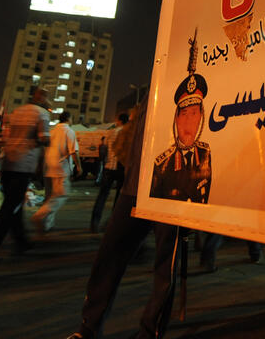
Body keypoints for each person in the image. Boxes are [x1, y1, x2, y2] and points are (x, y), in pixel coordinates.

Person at [66, 93, 181, 339]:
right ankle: (88, 328)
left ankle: (149, 333)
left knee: (165, 270)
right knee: (108, 257)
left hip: (173, 191)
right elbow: (130, 140)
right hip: (134, 188)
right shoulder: (154, 88)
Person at [0, 86, 51, 264]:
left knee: (14, 206)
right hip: (24, 166)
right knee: (8, 210)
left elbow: (8, 134)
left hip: (9, 163)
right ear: (42, 98)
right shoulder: (42, 113)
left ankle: (22, 242)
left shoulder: (17, 111)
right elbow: (44, 138)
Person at [150, 30, 212, 203]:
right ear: (176, 118)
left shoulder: (205, 153)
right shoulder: (162, 164)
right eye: (184, 114)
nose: (188, 121)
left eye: (194, 113)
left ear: (201, 117)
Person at [31, 110, 81, 233]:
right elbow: (73, 151)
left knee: (49, 198)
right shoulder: (69, 131)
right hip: (61, 169)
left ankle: (47, 225)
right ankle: (39, 215)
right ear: (68, 118)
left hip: (48, 168)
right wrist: (79, 167)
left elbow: (44, 150)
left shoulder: (51, 132)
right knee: (61, 195)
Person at [89, 112, 128, 233]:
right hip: (121, 168)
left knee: (102, 195)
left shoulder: (110, 132)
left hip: (108, 167)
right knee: (118, 198)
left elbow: (103, 149)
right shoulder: (127, 133)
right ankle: (113, 224)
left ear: (119, 121)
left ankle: (94, 222)